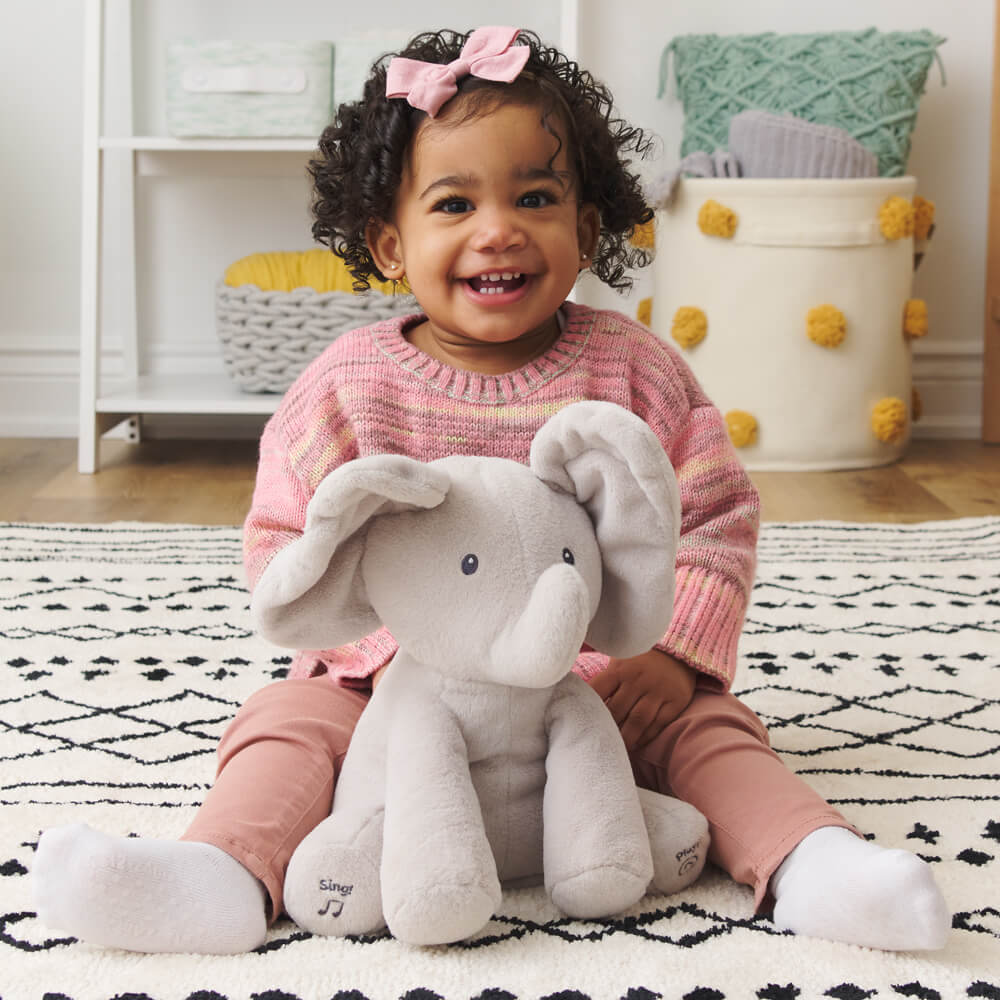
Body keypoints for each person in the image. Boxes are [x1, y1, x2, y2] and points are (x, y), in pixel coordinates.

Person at [33, 26, 949, 956]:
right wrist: (391, 655)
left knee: (712, 732)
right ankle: (220, 873)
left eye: (535, 197)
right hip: (394, 703)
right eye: (454, 203)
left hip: (592, 698)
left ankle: (810, 862)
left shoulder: (636, 372)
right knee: (286, 723)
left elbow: (713, 519)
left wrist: (672, 656)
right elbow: (285, 544)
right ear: (391, 243)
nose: (498, 228)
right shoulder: (347, 387)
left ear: (585, 230)